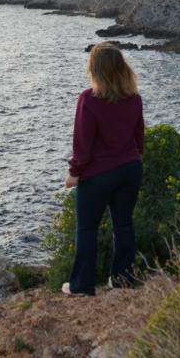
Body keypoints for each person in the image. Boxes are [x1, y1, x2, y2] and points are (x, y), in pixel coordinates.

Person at [62, 42, 144, 296]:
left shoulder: (89, 99)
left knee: (87, 228)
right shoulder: (134, 97)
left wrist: (74, 172)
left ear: (95, 69)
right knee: (123, 224)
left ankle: (82, 286)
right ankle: (122, 280)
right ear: (121, 67)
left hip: (99, 173)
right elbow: (139, 138)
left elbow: (83, 142)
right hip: (131, 168)